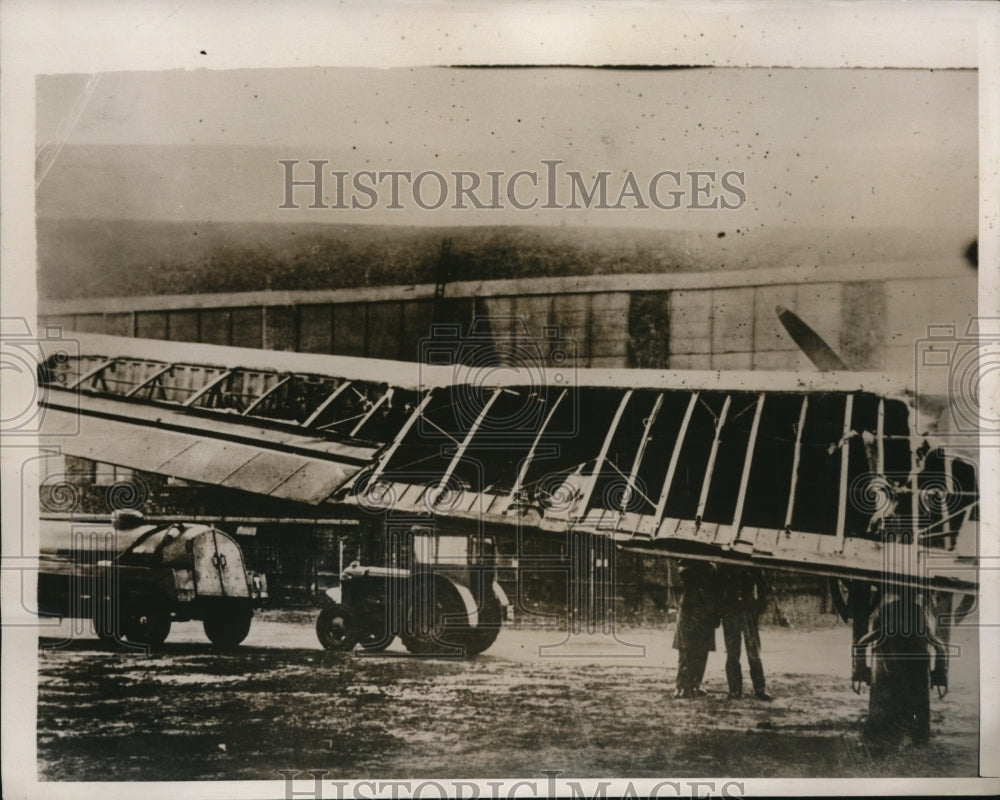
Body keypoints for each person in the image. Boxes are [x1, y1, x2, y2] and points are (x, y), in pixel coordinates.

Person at [719, 565, 772, 701]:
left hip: (748, 612)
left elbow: (762, 587)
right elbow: (717, 588)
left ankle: (760, 689)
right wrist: (721, 610)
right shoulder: (724, 564)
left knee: (753, 652)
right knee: (732, 653)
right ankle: (734, 690)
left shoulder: (752, 564)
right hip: (730, 612)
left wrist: (758, 607)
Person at [672, 559, 719, 698]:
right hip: (689, 611)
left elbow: (717, 589)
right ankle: (681, 686)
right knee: (685, 650)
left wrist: (715, 613)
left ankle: (696, 684)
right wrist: (697, 564)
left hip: (707, 611)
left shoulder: (712, 568)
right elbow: (682, 575)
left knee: (702, 651)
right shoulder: (686, 563)